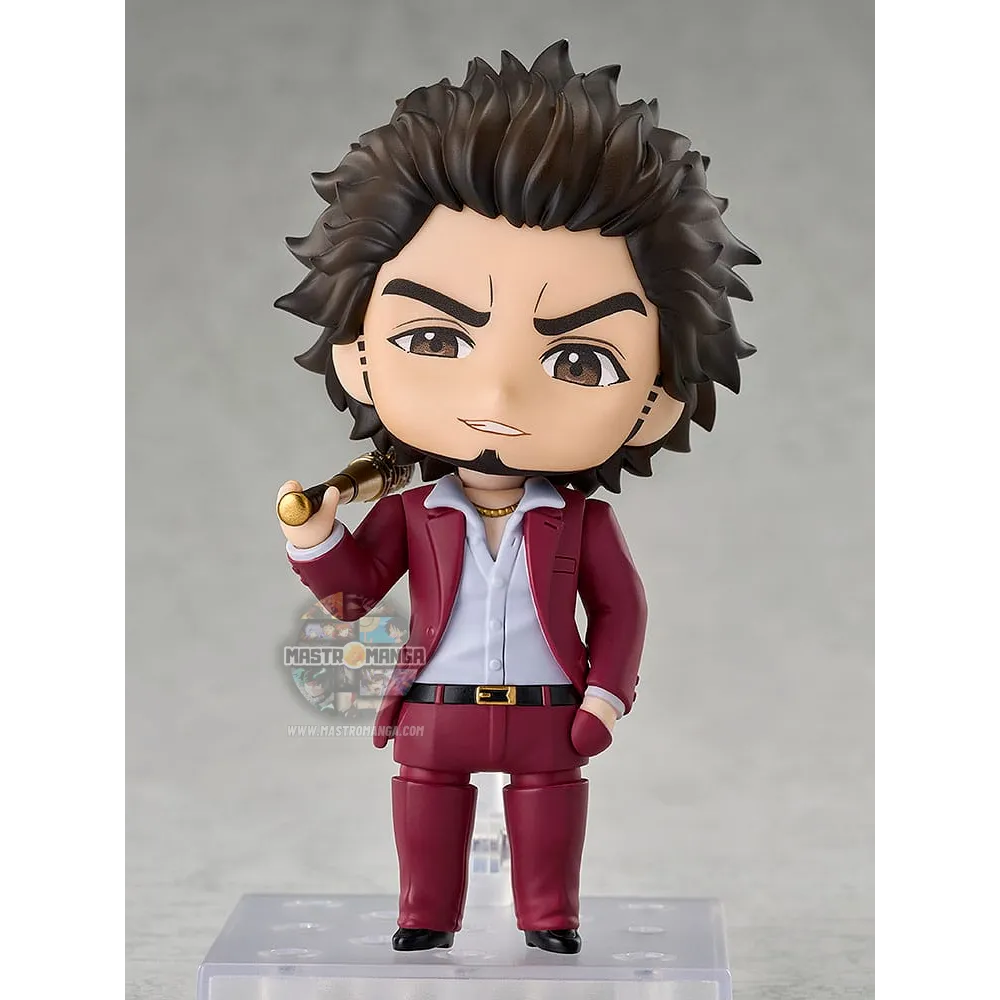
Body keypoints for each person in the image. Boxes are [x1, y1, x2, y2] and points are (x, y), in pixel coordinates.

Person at [276, 40, 757, 954]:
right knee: (425, 802)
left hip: (547, 709)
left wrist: (605, 699)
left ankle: (550, 920)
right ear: (356, 354)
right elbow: (354, 594)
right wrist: (316, 537)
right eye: (434, 340)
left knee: (550, 809)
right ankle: (424, 916)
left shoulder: (583, 522)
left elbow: (620, 610)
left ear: (655, 403)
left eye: (579, 360)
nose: (497, 398)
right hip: (437, 705)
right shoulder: (411, 513)